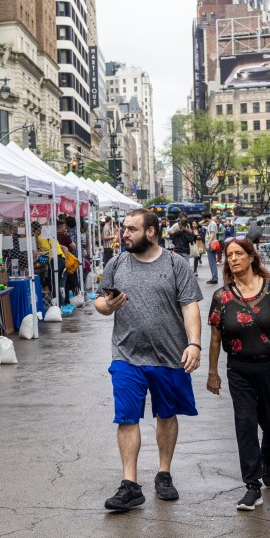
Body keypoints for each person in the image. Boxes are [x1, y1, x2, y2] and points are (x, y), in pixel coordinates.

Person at [95, 209, 203, 512]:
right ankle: (130, 484)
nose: (124, 234)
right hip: (127, 355)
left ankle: (163, 473)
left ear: (151, 232)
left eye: (131, 229)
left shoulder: (175, 264)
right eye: (123, 228)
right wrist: (107, 305)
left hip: (169, 355)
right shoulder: (115, 263)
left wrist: (194, 343)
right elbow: (100, 302)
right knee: (126, 416)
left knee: (166, 415)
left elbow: (190, 307)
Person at [205, 237, 270, 511]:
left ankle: (266, 460)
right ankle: (252, 485)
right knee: (245, 425)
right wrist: (213, 372)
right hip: (239, 370)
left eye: (238, 254)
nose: (232, 258)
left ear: (250, 257)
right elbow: (214, 339)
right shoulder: (221, 297)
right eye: (228, 255)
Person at [204, 214, 221, 284]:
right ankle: (214, 277)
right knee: (212, 261)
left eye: (204, 218)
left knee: (212, 262)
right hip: (211, 244)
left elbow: (212, 234)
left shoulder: (212, 224)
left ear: (207, 218)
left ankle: (214, 278)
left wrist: (208, 243)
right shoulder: (211, 223)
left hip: (211, 244)